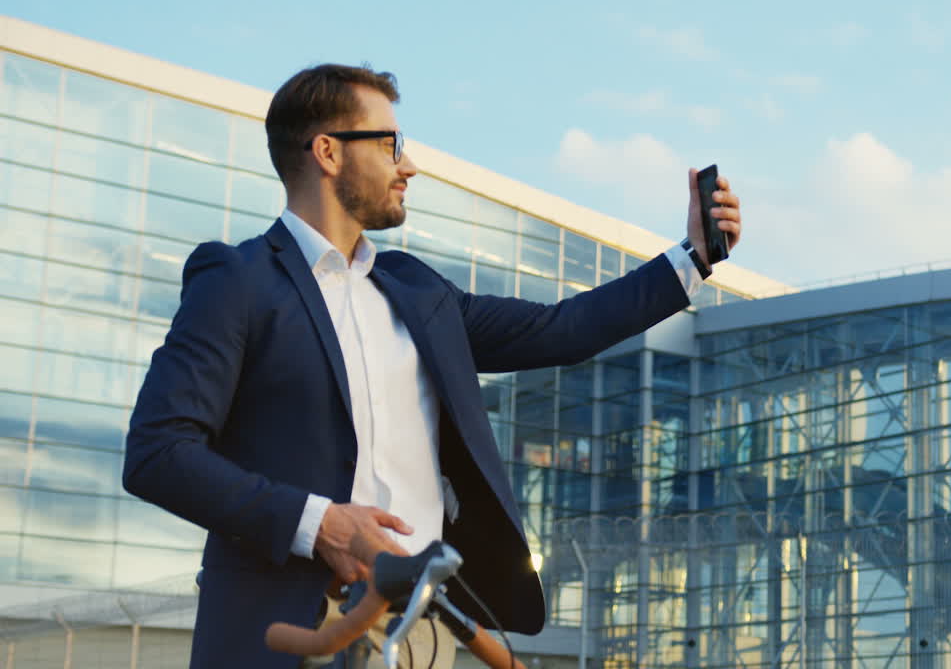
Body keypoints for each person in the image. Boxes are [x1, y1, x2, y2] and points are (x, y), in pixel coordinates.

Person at [122, 64, 742, 668]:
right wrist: (324, 526)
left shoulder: (415, 290)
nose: (409, 166)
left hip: (420, 633)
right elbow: (158, 452)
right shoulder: (239, 279)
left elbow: (561, 330)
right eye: (392, 144)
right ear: (328, 152)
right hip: (290, 628)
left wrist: (692, 257)